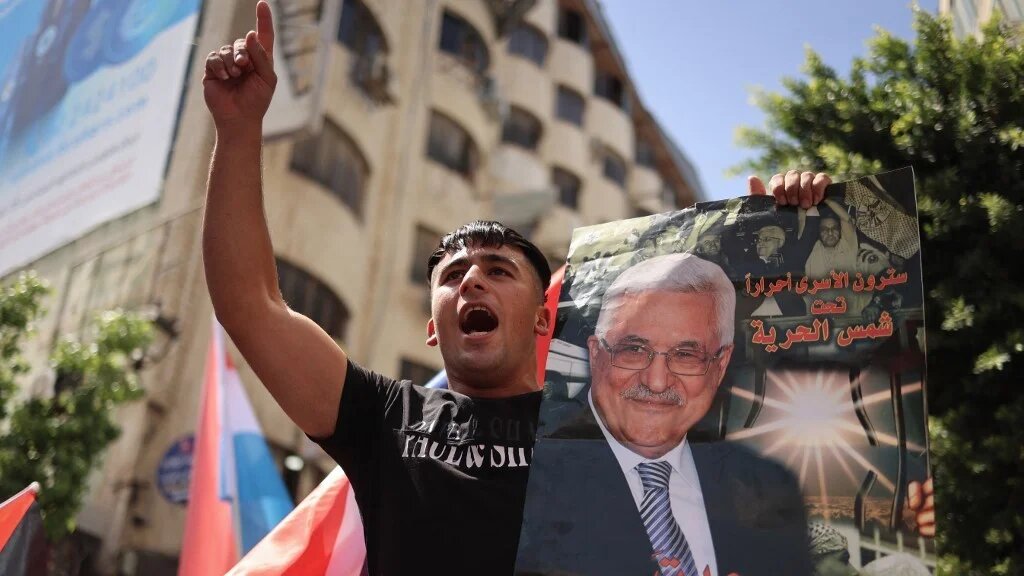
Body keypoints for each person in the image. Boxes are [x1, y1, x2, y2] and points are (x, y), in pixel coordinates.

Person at [201, 3, 836, 573]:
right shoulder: (381, 419)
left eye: (498, 271)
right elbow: (251, 305)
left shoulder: (610, 426)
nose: (471, 278)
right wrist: (237, 128)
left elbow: (763, 395)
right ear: (434, 324)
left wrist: (783, 236)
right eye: (452, 277)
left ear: (541, 318)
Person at [517, 253, 813, 576]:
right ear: (596, 353)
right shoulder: (530, 474)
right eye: (633, 349)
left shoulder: (770, 490)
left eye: (686, 355)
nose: (656, 382)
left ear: (721, 364)